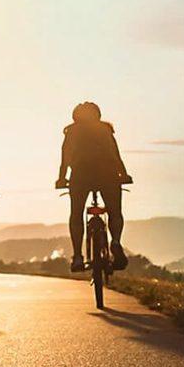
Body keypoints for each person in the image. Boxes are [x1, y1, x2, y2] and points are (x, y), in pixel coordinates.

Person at [56, 100, 132, 272]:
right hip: (108, 175)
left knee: (76, 215)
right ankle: (116, 242)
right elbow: (115, 155)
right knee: (115, 212)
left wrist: (61, 179)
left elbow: (65, 159)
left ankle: (77, 256)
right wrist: (124, 175)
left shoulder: (71, 132)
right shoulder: (105, 130)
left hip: (81, 176)